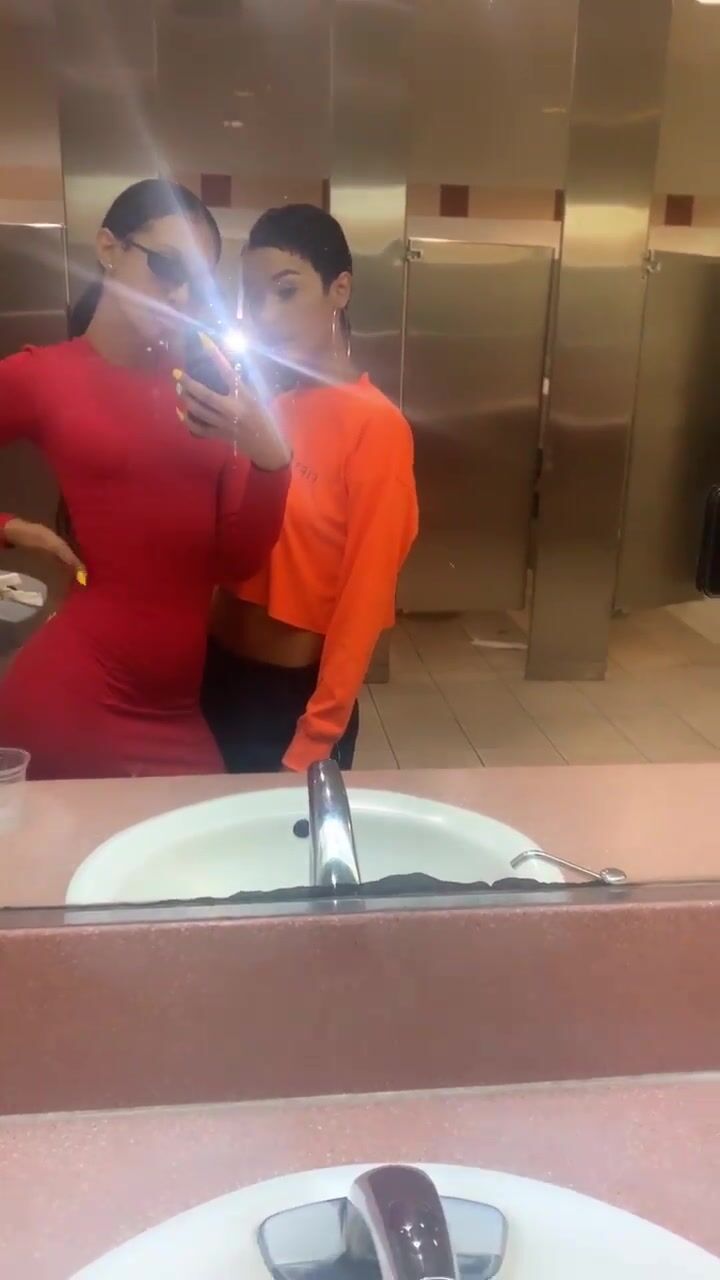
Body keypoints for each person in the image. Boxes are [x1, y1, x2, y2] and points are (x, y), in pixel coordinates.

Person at [0, 179, 290, 779]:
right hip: (77, 699)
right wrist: (12, 529)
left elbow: (235, 560)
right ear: (109, 247)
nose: (180, 295)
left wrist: (271, 461)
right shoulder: (44, 377)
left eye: (197, 284)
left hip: (179, 709)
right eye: (166, 267)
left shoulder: (204, 391)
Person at [201, 203, 418, 773]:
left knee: (278, 835)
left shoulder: (376, 427)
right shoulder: (266, 408)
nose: (265, 315)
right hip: (210, 678)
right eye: (253, 296)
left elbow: (365, 596)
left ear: (339, 289)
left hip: (288, 702)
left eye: (286, 290)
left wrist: (318, 735)